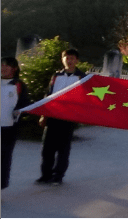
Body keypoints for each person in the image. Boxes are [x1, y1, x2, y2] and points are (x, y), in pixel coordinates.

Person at [36, 49, 87, 186]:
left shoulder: (82, 77)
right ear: (62, 59)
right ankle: (45, 175)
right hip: (52, 116)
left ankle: (58, 176)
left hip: (68, 118)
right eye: (66, 58)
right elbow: (48, 96)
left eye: (72, 58)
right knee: (47, 148)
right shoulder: (56, 76)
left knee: (63, 150)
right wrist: (43, 115)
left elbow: (87, 99)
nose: (69, 61)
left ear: (77, 60)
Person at [1, 57, 31, 190]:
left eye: (6, 66)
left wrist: (19, 112)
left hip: (9, 128)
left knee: (4, 158)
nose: (3, 68)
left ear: (14, 69)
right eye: (1, 65)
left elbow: (25, 104)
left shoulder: (18, 84)